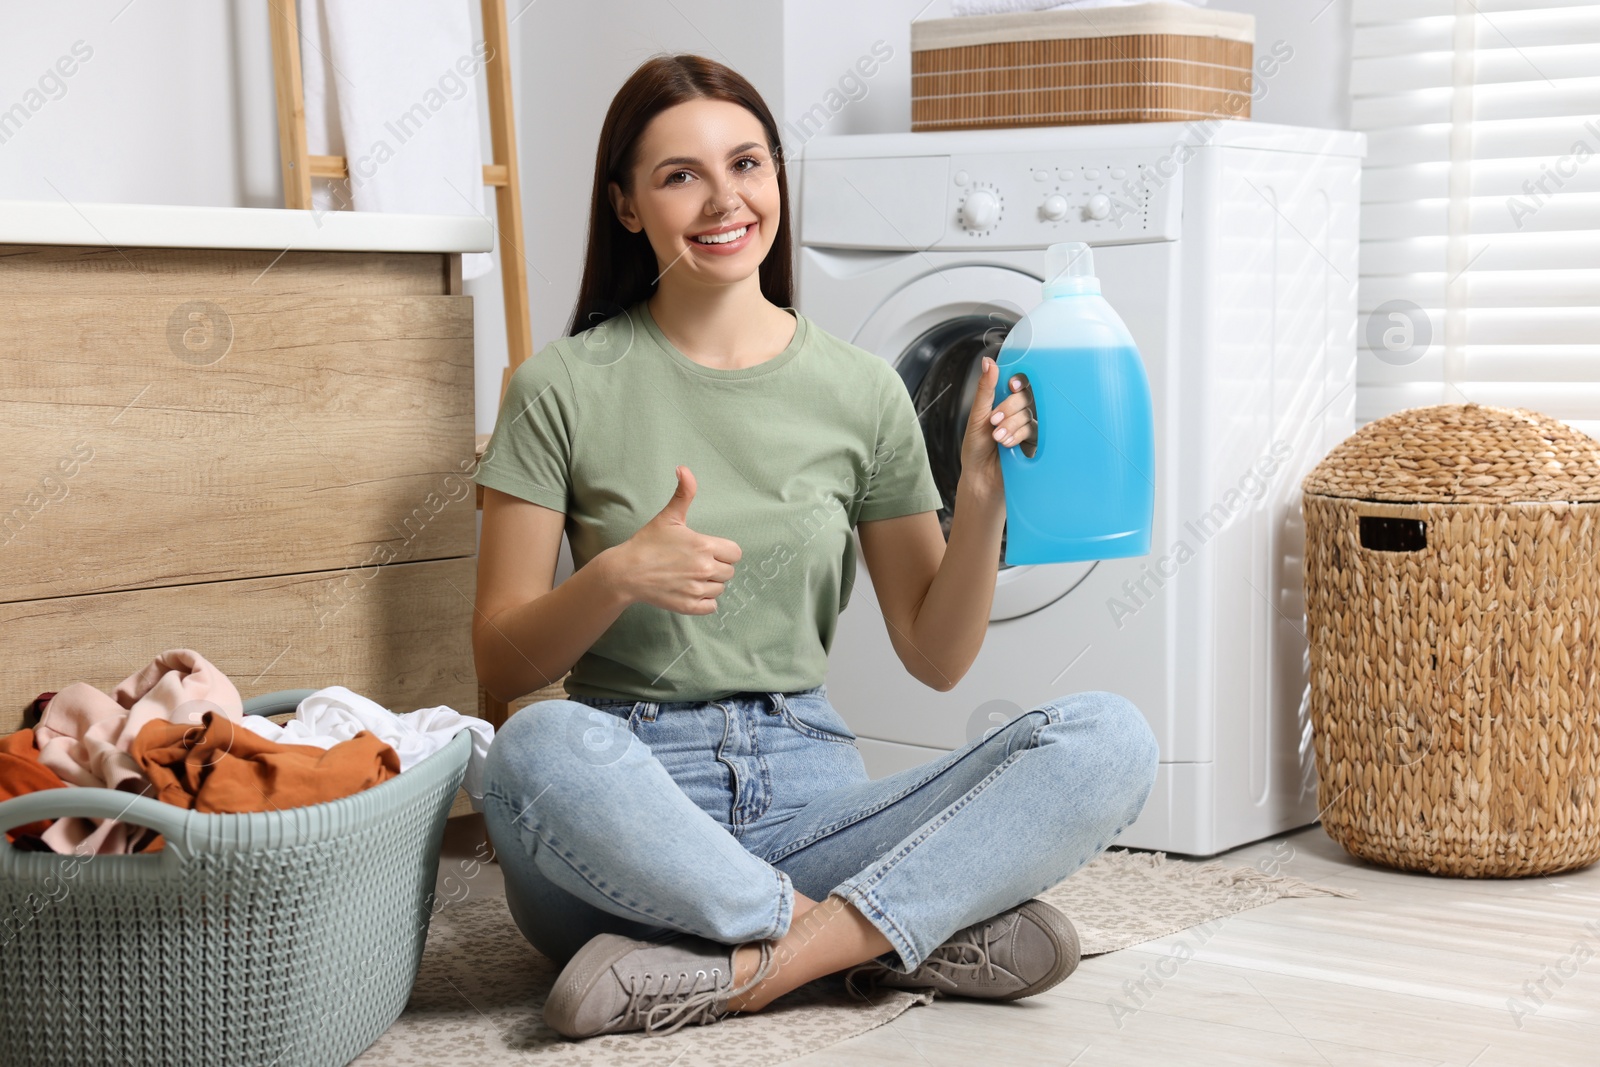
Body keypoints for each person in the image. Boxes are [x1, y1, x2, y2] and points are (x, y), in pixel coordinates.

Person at [471, 53, 1158, 1041]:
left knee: (1109, 737)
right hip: (620, 806)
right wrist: (616, 575)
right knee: (529, 748)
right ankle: (864, 937)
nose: (725, 199)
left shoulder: (859, 390)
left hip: (806, 800)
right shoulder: (560, 386)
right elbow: (498, 664)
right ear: (626, 206)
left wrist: (978, 494)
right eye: (680, 175)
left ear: (775, 182)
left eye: (747, 164)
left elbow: (934, 652)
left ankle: (739, 960)